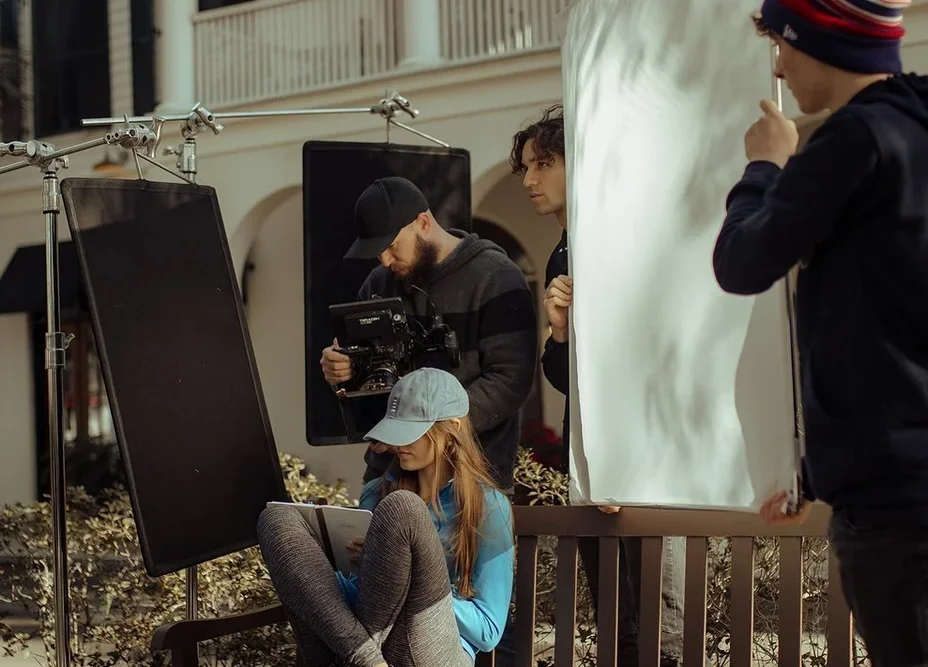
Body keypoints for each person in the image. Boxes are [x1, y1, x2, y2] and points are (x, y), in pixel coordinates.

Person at [712, 1, 928, 664]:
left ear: (820, 38)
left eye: (783, 44)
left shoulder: (853, 141)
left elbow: (741, 261)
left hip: (899, 504)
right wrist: (811, 470)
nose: (780, 67)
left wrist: (765, 166)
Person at [509, 104, 686, 667]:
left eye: (543, 163)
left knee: (657, 629)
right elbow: (568, 379)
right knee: (617, 627)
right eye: (525, 169)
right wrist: (560, 336)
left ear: (578, 162)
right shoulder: (565, 246)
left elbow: (647, 361)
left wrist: (617, 463)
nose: (530, 180)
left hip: (640, 469)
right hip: (591, 467)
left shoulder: (621, 236)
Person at [257, 368, 515, 667]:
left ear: (452, 429)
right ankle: (368, 661)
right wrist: (323, 567)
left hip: (434, 650)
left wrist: (407, 575)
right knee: (276, 520)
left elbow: (488, 630)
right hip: (367, 643)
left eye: (410, 433)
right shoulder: (376, 491)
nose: (397, 444)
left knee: (403, 509)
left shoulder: (489, 506)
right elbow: (361, 600)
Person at [320, 176, 538, 491]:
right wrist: (342, 371)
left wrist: (427, 430)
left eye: (392, 245)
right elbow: (369, 382)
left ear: (422, 223)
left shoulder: (497, 277)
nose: (384, 260)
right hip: (390, 477)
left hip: (470, 480)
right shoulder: (377, 285)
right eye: (377, 251)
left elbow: (509, 381)